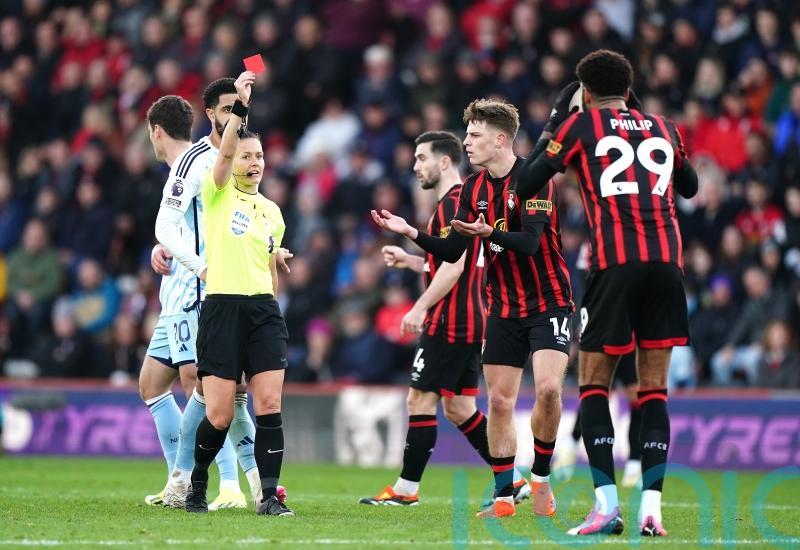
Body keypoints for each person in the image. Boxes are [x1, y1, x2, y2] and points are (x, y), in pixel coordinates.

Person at [514, 49, 699, 537]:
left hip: (614, 264)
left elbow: (527, 179)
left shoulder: (579, 126)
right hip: (667, 264)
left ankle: (606, 506)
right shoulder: (665, 125)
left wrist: (556, 122)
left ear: (587, 94)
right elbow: (692, 187)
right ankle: (653, 509)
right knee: (654, 388)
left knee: (595, 383)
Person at [372, 100, 573, 519]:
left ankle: (540, 480)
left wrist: (490, 235)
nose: (467, 142)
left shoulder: (533, 179)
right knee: (499, 403)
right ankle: (504, 497)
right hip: (502, 306)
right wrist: (410, 232)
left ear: (500, 139)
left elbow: (531, 242)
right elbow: (452, 250)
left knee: (550, 390)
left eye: (474, 135)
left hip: (549, 299)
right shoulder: (474, 190)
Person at [360, 131, 529, 506]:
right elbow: (453, 264)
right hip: (473, 318)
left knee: (419, 400)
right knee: (459, 407)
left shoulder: (454, 204)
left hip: (450, 319)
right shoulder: (457, 204)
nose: (415, 165)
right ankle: (513, 480)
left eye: (421, 158)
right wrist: (410, 261)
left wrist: (420, 306)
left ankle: (406, 490)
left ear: (444, 162)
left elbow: (455, 266)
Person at [184, 70, 293, 517]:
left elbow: (270, 272)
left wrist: (274, 271)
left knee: (269, 404)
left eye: (260, 156)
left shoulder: (273, 212)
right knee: (221, 415)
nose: (255, 163)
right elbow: (225, 150)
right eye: (248, 156)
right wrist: (242, 106)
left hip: (263, 311)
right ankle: (196, 484)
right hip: (222, 309)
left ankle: (269, 498)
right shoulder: (217, 192)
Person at [142, 91, 257, 511]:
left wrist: (202, 266)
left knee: (205, 386)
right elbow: (187, 226)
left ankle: (226, 484)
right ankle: (180, 477)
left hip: (197, 292)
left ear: (156, 132)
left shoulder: (199, 161)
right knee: (152, 385)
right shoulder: (187, 167)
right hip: (175, 292)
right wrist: (163, 249)